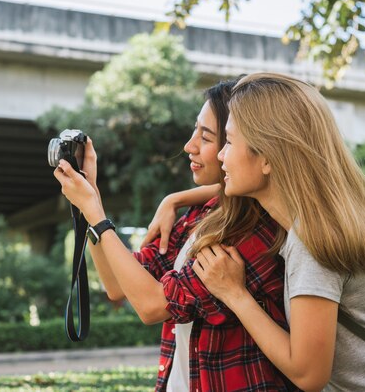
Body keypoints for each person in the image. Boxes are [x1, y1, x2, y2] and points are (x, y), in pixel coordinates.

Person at [181, 72, 365, 391]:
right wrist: (173, 200)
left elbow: (308, 374)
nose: (220, 155)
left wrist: (235, 294)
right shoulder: (327, 219)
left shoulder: (311, 243)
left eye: (229, 142)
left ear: (267, 158)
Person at [53, 79, 297, 391]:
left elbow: (153, 306)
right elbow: (117, 285)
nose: (189, 145)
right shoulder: (203, 212)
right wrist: (92, 199)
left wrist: (96, 214)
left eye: (206, 137)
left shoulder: (257, 232)